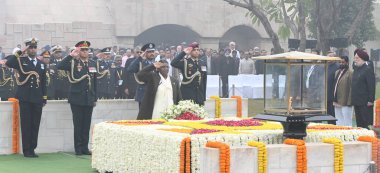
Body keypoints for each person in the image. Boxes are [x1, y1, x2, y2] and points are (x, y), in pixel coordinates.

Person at [4, 38, 47, 158]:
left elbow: (43, 82)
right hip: (25, 98)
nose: (32, 49)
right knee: (26, 124)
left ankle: (33, 148)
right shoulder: (20, 60)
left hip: (37, 98)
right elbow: (8, 63)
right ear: (27, 49)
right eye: (30, 47)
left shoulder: (42, 64)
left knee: (35, 124)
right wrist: (20, 52)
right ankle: (27, 150)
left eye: (34, 47)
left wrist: (44, 97)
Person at [57, 41, 97, 155]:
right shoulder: (73, 62)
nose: (85, 52)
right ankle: (78, 148)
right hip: (77, 98)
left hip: (89, 98)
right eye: (83, 50)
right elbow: (59, 66)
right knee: (78, 124)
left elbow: (94, 82)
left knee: (86, 124)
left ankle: (85, 147)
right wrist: (71, 55)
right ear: (78, 51)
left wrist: (95, 98)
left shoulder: (92, 63)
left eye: (87, 50)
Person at [351, 49, 375, 129]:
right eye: (355, 58)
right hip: (357, 101)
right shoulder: (357, 69)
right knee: (359, 124)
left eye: (357, 58)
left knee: (365, 124)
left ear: (362, 58)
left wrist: (371, 100)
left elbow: (371, 86)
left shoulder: (368, 69)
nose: (355, 60)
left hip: (365, 102)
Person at [333, 56, 353, 126]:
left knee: (347, 121)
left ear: (347, 63)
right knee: (338, 120)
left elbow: (351, 88)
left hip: (346, 101)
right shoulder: (337, 72)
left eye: (343, 62)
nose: (341, 64)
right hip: (336, 100)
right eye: (340, 62)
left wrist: (349, 101)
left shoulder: (350, 73)